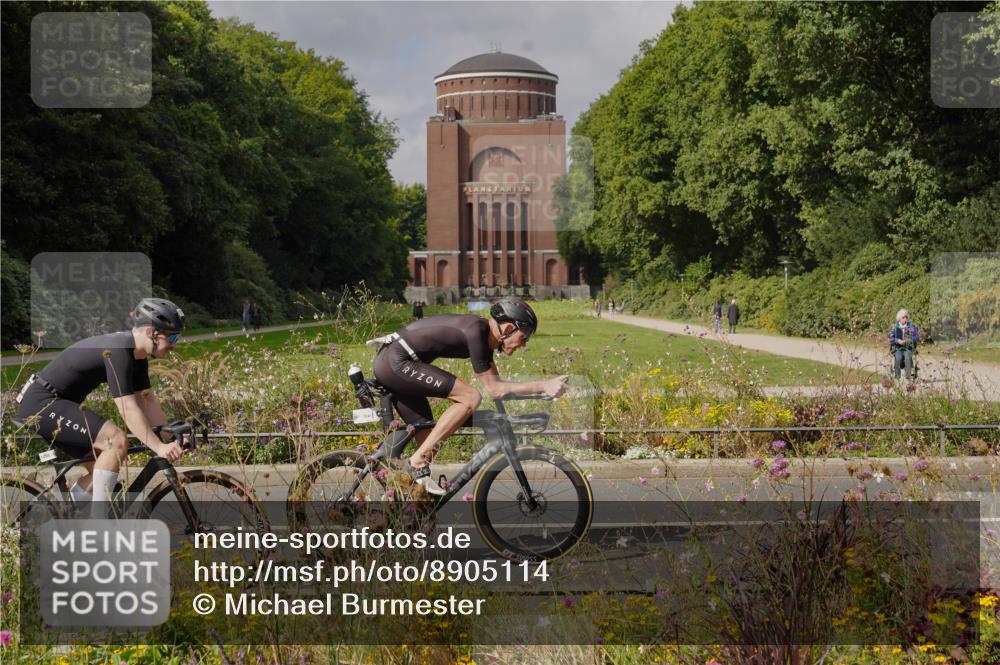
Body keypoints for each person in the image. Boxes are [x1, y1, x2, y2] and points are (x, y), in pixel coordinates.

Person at [372, 297, 568, 495]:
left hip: (397, 361)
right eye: (523, 338)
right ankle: (416, 463)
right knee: (470, 397)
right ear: (508, 329)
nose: (523, 345)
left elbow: (499, 388)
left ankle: (408, 507)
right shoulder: (476, 332)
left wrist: (540, 394)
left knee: (429, 437)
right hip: (396, 361)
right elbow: (494, 389)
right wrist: (543, 385)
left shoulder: (484, 339)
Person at [15, 298, 187, 517]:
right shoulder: (118, 349)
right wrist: (159, 447)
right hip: (42, 403)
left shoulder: (137, 355)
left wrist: (168, 435)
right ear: (151, 332)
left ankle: (62, 517)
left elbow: (146, 400)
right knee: (115, 440)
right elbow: (128, 407)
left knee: (103, 469)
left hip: (60, 403)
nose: (175, 344)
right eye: (172, 337)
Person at [889, 309, 920, 379]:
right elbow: (890, 338)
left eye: (906, 317)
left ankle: (908, 377)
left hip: (908, 347)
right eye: (903, 317)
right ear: (899, 318)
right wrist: (898, 340)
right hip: (898, 348)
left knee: (908, 357)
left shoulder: (911, 326)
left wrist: (909, 339)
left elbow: (917, 337)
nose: (905, 319)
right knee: (898, 357)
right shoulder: (894, 327)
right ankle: (897, 377)